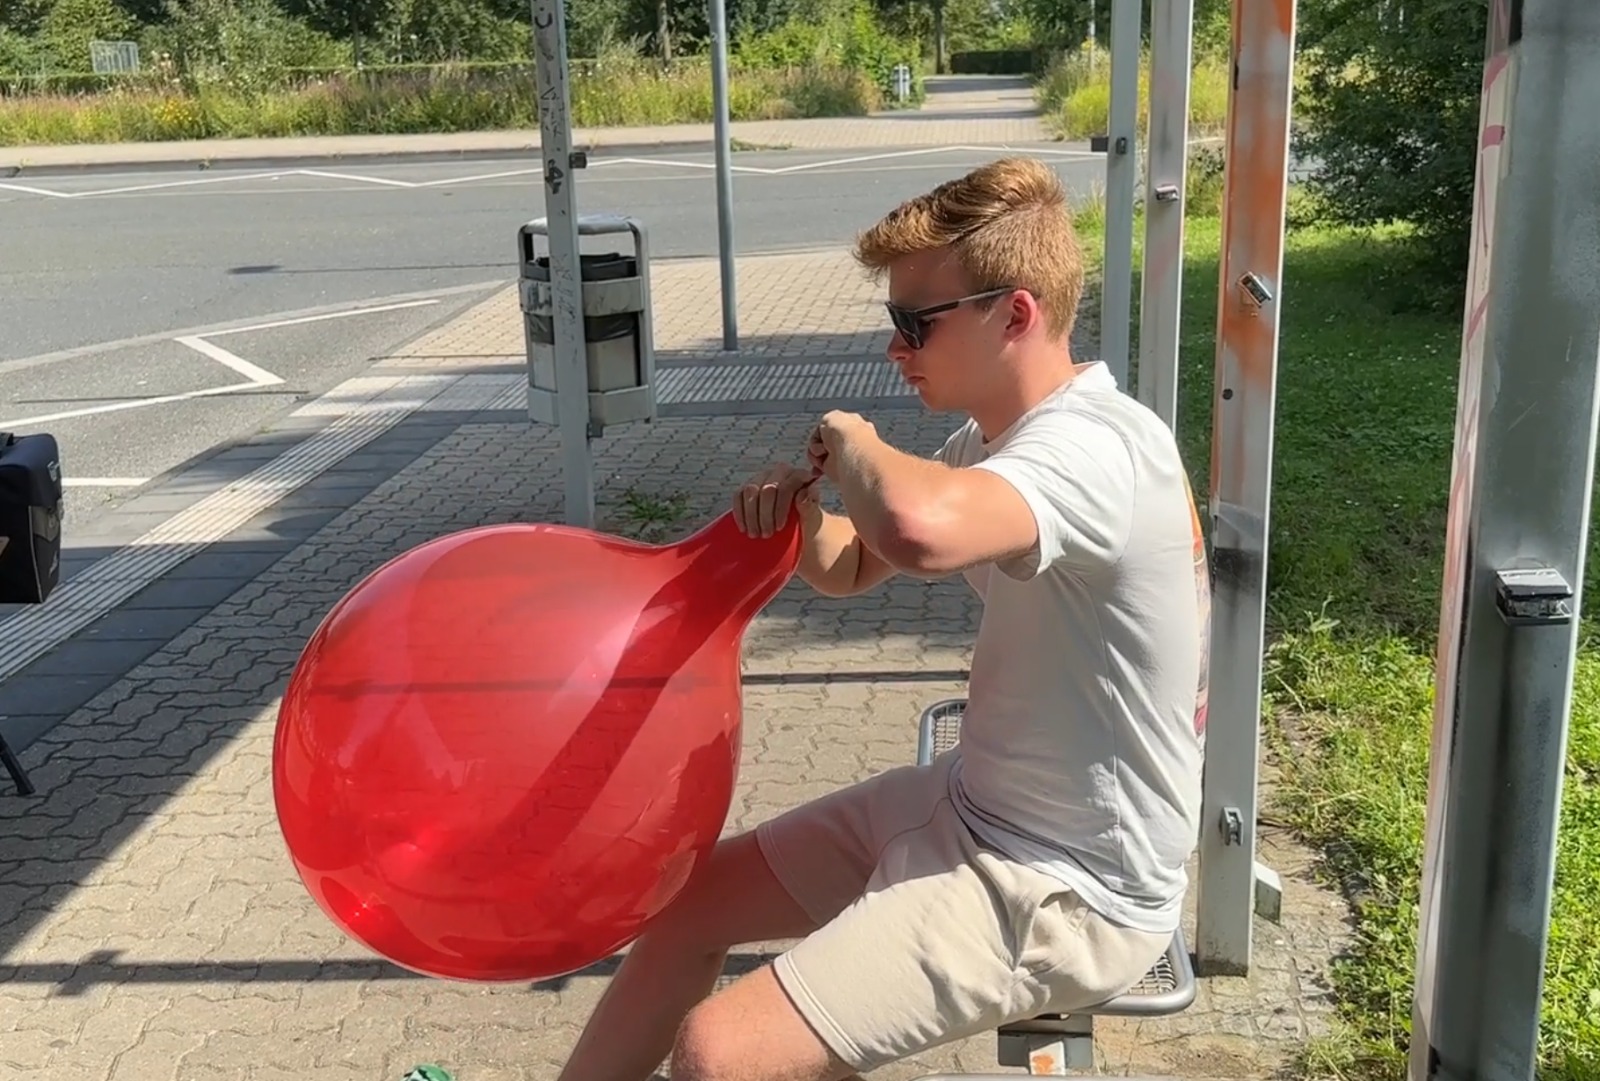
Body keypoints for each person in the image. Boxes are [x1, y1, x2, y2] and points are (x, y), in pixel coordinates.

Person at [554, 156, 1210, 1081]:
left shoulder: (1098, 448)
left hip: (1068, 884)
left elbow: (918, 531)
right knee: (685, 904)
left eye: (915, 323)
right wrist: (802, 519)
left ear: (1015, 314)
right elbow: (856, 563)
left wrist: (857, 440)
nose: (896, 350)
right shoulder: (995, 440)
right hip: (977, 804)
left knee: (721, 1053)